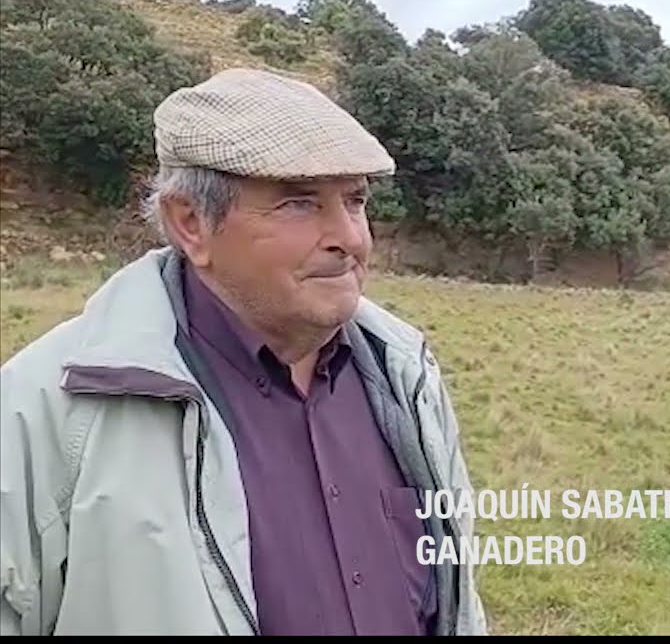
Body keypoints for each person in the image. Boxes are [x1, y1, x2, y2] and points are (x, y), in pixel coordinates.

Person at [0, 68, 487, 636]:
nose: (350, 238)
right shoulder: (46, 410)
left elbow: (454, 601)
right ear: (191, 224)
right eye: (300, 204)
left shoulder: (406, 378)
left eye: (354, 201)